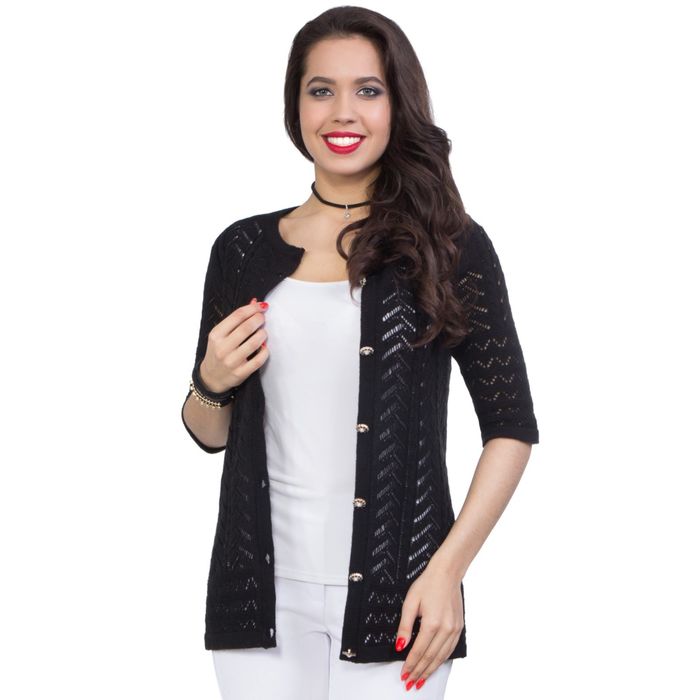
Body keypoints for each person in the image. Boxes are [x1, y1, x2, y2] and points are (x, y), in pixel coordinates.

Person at [181, 6, 539, 699]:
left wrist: (446, 573)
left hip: (399, 598)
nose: (342, 112)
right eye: (321, 89)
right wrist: (211, 380)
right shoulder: (242, 247)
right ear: (296, 105)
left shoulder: (449, 245)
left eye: (368, 90)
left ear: (398, 103)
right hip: (258, 598)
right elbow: (209, 431)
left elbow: (511, 428)